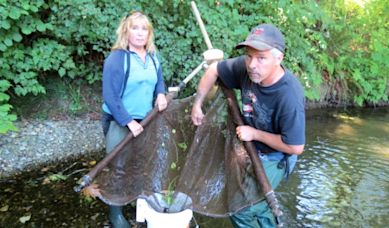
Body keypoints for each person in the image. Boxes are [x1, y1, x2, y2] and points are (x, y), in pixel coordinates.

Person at [191, 24, 305, 227]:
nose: (253, 64)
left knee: (241, 208)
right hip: (251, 148)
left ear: (278, 59)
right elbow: (214, 69)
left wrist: (254, 134)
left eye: (262, 58)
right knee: (254, 203)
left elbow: (295, 147)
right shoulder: (247, 70)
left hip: (278, 154)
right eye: (249, 56)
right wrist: (197, 104)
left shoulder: (289, 95)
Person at [101, 11, 168, 228]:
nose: (140, 33)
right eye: (134, 28)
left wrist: (160, 93)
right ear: (126, 31)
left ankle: (137, 205)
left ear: (149, 33)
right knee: (118, 167)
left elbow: (159, 80)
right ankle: (116, 214)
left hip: (146, 120)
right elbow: (110, 96)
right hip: (119, 120)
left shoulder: (152, 57)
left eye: (144, 29)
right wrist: (128, 122)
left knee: (141, 164)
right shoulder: (117, 58)